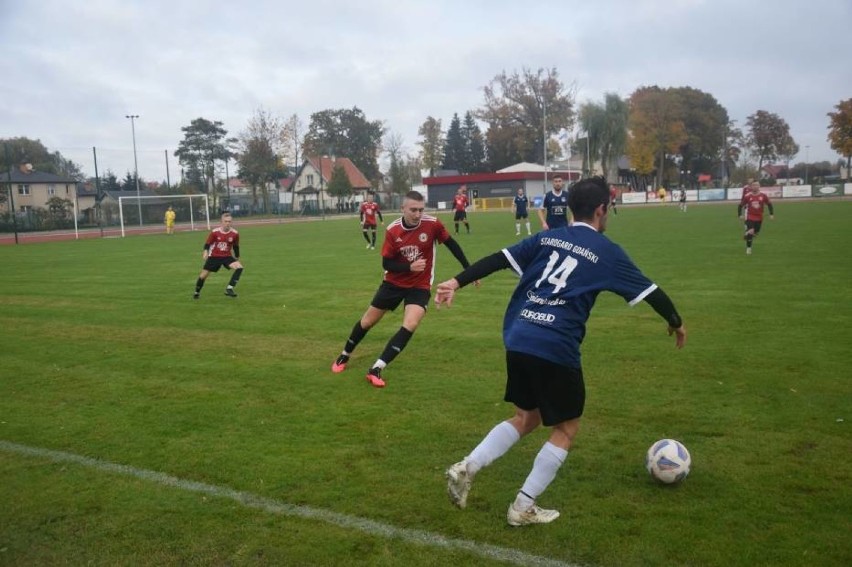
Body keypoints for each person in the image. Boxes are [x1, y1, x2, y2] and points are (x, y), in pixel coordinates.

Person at [434, 176, 686, 527]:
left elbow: (498, 259)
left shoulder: (546, 237)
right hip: (555, 344)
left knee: (527, 417)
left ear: (569, 207)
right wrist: (675, 321)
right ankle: (522, 507)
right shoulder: (607, 252)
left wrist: (455, 282)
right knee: (566, 428)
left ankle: (467, 467)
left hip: (519, 337)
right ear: (601, 209)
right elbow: (653, 292)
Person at [331, 191, 475, 388]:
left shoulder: (432, 224)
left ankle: (376, 369)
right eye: (413, 210)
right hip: (393, 284)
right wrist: (409, 267)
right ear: (403, 209)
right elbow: (386, 263)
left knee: (411, 324)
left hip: (420, 285)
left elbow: (452, 245)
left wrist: (470, 270)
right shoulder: (393, 231)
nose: (418, 214)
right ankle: (344, 355)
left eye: (421, 210)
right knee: (367, 321)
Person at [193, 212, 244, 299]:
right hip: (214, 256)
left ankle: (229, 288)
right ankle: (197, 292)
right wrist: (205, 251)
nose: (228, 223)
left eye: (229, 221)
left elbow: (236, 246)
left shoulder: (235, 233)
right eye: (226, 221)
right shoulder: (215, 232)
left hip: (226, 256)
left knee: (239, 267)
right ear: (221, 222)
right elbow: (208, 243)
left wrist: (237, 257)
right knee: (203, 276)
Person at [737, 181, 774, 255]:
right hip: (750, 216)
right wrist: (740, 215)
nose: (755, 186)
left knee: (755, 233)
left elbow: (769, 204)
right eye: (753, 185)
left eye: (757, 185)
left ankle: (748, 233)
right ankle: (748, 249)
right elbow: (740, 205)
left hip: (759, 217)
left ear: (759, 186)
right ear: (751, 187)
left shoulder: (763, 195)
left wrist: (771, 214)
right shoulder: (747, 196)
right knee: (751, 231)